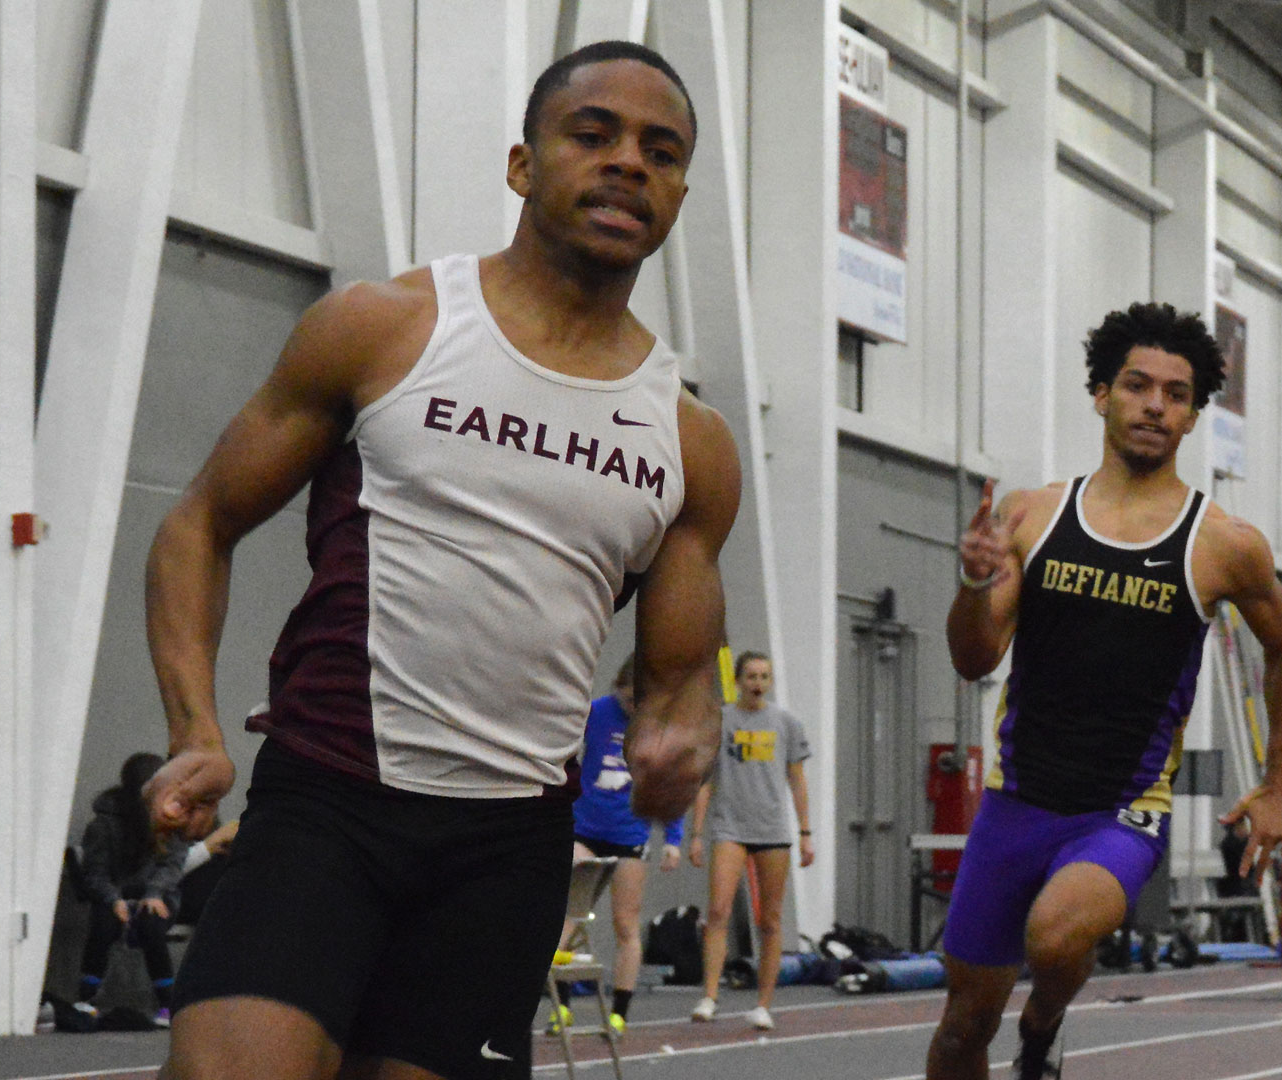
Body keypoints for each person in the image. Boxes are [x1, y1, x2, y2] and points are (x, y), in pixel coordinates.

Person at [143, 39, 739, 1080]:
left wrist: (681, 740)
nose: (629, 164)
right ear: (523, 164)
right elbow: (198, 523)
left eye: (661, 150)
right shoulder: (387, 330)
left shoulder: (689, 444)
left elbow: (682, 681)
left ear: (681, 192)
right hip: (328, 803)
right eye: (592, 135)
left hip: (505, 854)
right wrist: (194, 728)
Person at [929, 302, 1282, 1080]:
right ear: (1101, 393)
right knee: (964, 1024)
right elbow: (975, 659)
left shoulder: (1223, 544)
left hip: (1122, 809)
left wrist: (1279, 784)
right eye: (1138, 386)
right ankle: (1017, 1026)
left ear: (1194, 416)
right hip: (1015, 798)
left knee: (1058, 935)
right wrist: (973, 583)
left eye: (1175, 394)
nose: (1154, 405)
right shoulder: (1032, 516)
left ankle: (1042, 1023)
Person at [548, 657, 685, 1037]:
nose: (631, 708)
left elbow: (667, 783)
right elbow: (564, 756)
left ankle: (619, 1011)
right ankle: (562, 1006)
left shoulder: (657, 726)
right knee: (571, 913)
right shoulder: (596, 713)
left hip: (629, 834)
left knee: (626, 923)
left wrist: (673, 840)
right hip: (586, 828)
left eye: (638, 702)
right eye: (626, 699)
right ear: (618, 688)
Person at [686, 650, 814, 1031]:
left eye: (764, 676)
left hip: (772, 828)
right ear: (739, 680)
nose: (758, 683)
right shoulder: (721, 720)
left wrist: (806, 832)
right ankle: (709, 995)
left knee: (770, 920)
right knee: (719, 910)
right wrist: (696, 833)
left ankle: (763, 1003)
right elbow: (705, 781)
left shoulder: (786, 723)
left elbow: (797, 780)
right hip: (730, 826)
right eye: (752, 676)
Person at [77, 752, 187, 1026]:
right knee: (103, 924)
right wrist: (114, 900)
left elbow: (173, 864)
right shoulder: (104, 824)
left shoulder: (170, 819)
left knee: (151, 926)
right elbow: (95, 873)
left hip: (157, 896)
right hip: (114, 895)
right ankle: (85, 999)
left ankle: (167, 1004)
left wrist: (154, 893)